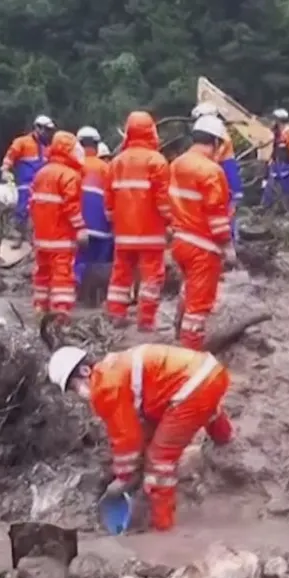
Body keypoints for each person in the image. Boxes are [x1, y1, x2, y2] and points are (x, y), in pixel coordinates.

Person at [47, 343, 232, 532]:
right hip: (209, 373)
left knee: (159, 461)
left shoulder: (104, 387)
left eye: (73, 386)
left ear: (85, 371)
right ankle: (225, 441)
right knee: (195, 411)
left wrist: (123, 478)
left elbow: (126, 438)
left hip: (193, 387)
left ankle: (162, 527)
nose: (77, 393)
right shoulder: (114, 366)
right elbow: (145, 418)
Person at [170, 116, 236, 349]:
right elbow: (217, 217)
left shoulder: (177, 164)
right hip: (203, 248)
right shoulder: (211, 171)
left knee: (188, 287)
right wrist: (228, 247)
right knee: (198, 308)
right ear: (216, 142)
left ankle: (178, 327)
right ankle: (190, 353)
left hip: (180, 241)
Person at [105, 111, 172, 331]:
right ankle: (145, 321)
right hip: (151, 233)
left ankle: (116, 314)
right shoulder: (158, 162)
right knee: (151, 278)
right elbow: (163, 201)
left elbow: (109, 203)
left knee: (121, 273)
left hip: (124, 233)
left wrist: (115, 220)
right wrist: (171, 222)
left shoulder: (116, 163)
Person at [28, 131, 87, 319]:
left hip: (41, 237)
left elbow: (32, 204)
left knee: (42, 274)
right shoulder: (70, 175)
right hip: (61, 237)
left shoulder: (41, 173)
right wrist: (80, 229)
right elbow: (72, 207)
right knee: (62, 275)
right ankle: (60, 312)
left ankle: (40, 308)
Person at [192, 103, 244, 236]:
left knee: (227, 206)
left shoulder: (220, 133)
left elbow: (223, 146)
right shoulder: (219, 131)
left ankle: (229, 237)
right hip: (225, 168)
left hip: (226, 168)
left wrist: (210, 161)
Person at [74, 126, 113, 289]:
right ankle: (97, 294)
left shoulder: (74, 166)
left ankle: (77, 289)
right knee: (101, 264)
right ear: (97, 145)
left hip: (79, 228)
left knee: (79, 261)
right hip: (102, 229)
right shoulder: (106, 168)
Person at [1, 115, 55, 230]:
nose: (48, 133)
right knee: (23, 206)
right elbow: (10, 156)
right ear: (37, 128)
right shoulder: (22, 142)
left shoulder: (48, 148)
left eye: (50, 131)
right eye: (46, 130)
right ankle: (18, 231)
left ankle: (33, 232)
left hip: (42, 185)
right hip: (26, 182)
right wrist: (5, 169)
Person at [264, 109, 289, 212]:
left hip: (286, 166)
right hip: (277, 165)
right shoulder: (277, 133)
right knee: (271, 187)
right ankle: (268, 208)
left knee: (287, 189)